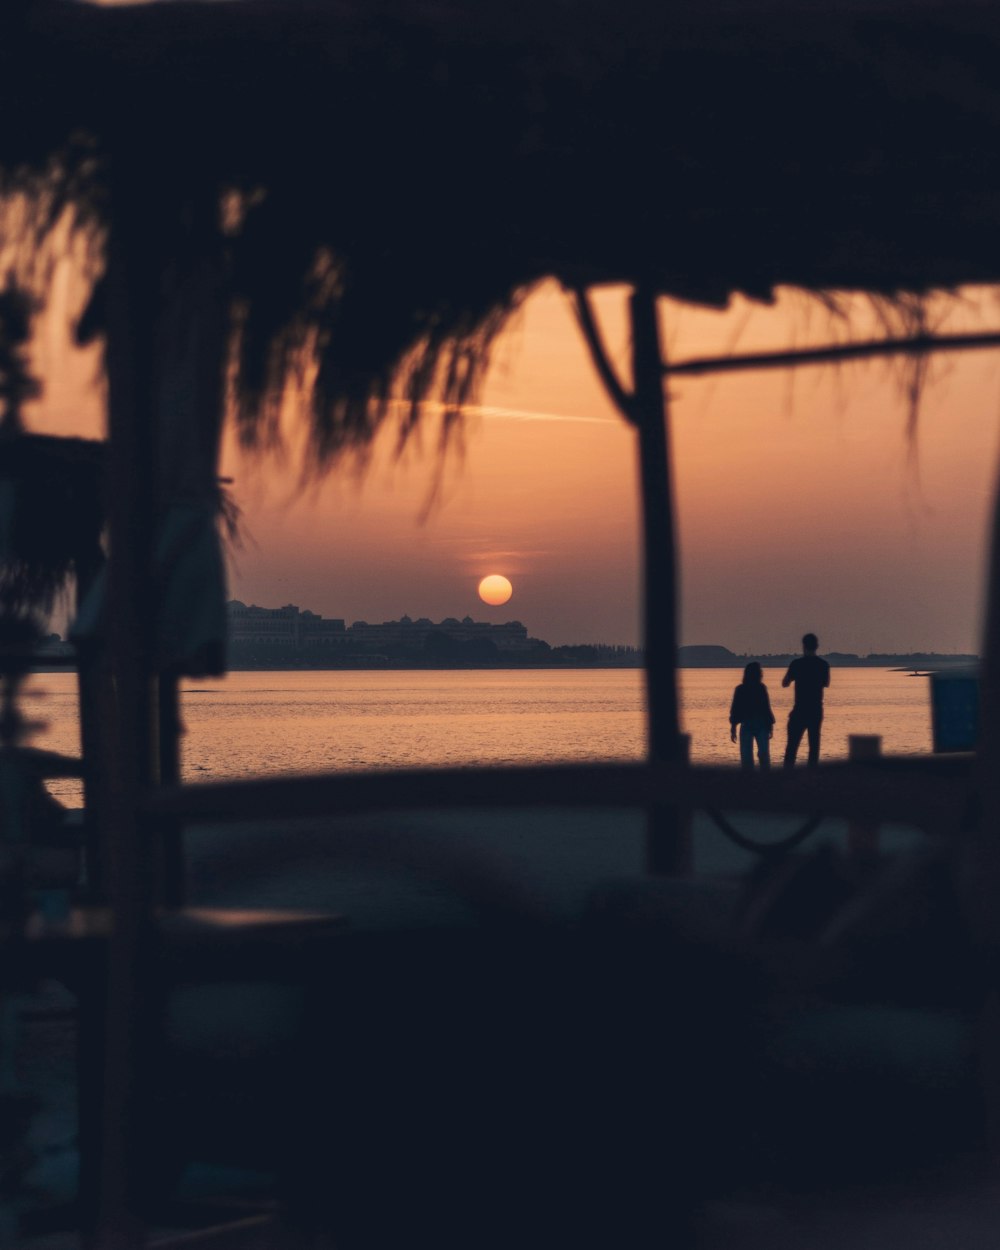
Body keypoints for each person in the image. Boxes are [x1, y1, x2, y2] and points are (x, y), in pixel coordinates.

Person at [782, 632, 831, 768]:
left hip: (800, 709)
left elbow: (785, 683)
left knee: (792, 746)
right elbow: (826, 683)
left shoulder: (796, 664)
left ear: (803, 646)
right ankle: (812, 776)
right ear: (817, 646)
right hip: (815, 709)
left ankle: (787, 774)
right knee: (814, 746)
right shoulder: (823, 665)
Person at [729, 661, 775, 771]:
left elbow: (735, 710)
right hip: (760, 724)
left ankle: (749, 779)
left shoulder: (740, 689)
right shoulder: (761, 688)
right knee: (763, 756)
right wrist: (770, 725)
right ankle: (764, 778)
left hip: (748, 724)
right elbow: (766, 707)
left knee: (746, 757)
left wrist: (733, 727)